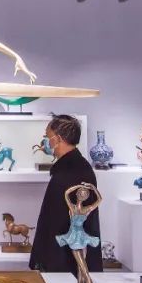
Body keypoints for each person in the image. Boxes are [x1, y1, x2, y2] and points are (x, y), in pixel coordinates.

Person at [29, 114, 102, 273]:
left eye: (47, 137)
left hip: (66, 260)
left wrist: (44, 258)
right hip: (65, 255)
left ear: (58, 139)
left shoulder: (71, 172)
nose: (47, 142)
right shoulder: (74, 167)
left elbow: (56, 221)